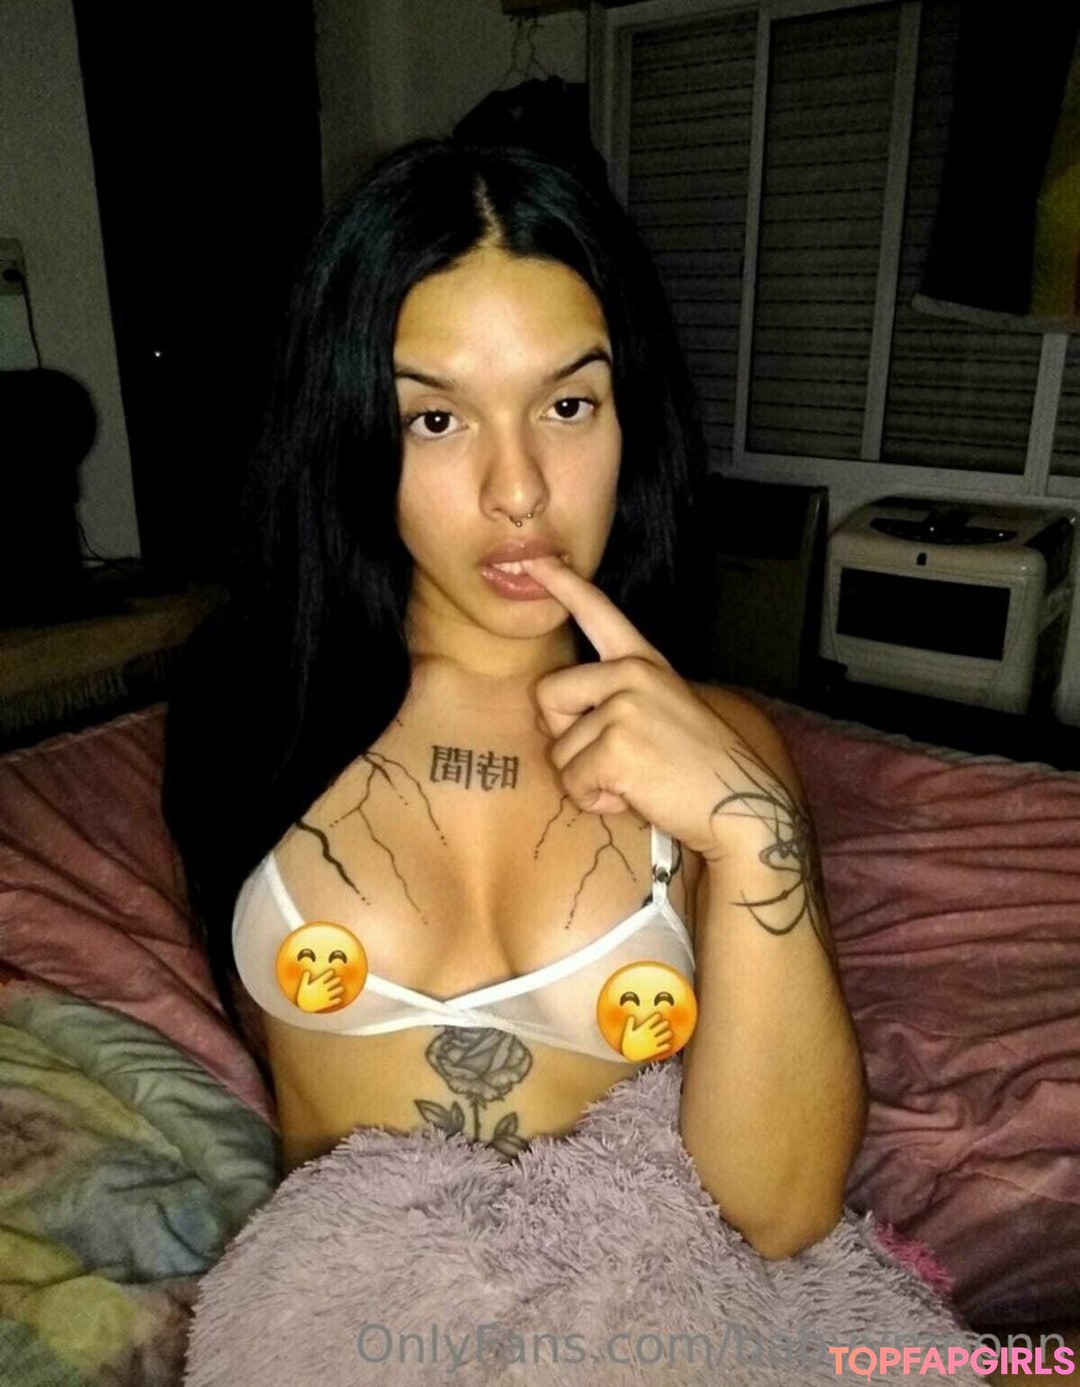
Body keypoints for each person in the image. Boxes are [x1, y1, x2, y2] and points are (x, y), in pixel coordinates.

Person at [163, 138, 866, 1264]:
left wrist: (751, 835)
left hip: (638, 1305)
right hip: (343, 1315)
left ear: (631, 420)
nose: (520, 488)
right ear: (350, 431)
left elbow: (778, 1211)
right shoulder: (253, 709)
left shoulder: (724, 747)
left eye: (569, 405)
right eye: (436, 419)